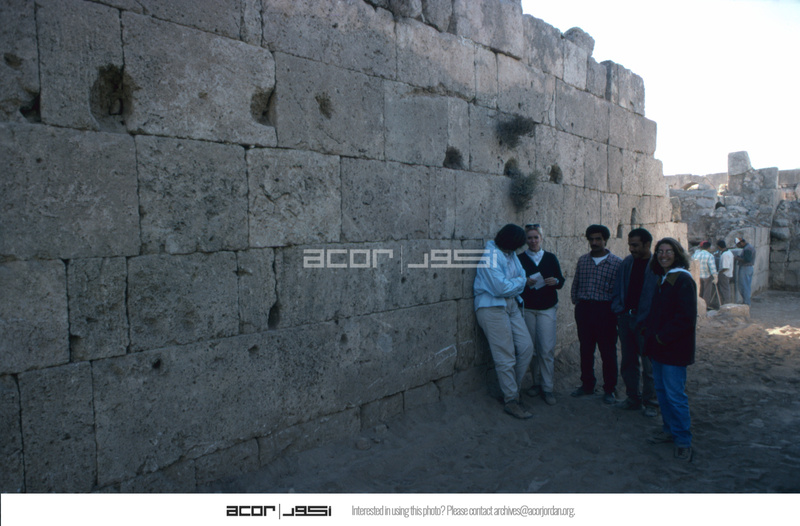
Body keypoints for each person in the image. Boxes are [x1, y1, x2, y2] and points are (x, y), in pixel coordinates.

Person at [473, 224, 537, 419]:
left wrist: (517, 283)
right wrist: (521, 283)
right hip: (491, 306)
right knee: (505, 355)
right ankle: (511, 400)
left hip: (511, 304)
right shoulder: (490, 256)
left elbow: (520, 275)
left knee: (526, 347)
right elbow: (500, 288)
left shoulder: (510, 254)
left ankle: (511, 390)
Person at [643, 237, 697, 462]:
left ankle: (683, 440)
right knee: (663, 392)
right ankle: (669, 430)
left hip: (673, 348)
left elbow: (685, 318)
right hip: (659, 348)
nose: (663, 255)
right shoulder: (664, 279)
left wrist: (661, 337)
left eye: (668, 251)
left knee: (675, 395)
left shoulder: (682, 280)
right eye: (660, 251)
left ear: (677, 254)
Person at [570, 224, 622, 404]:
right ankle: (587, 385)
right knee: (586, 349)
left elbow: (619, 290)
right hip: (584, 309)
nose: (594, 242)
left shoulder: (616, 263)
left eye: (598, 239)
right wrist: (577, 301)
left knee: (608, 352)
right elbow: (576, 282)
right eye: (591, 239)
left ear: (605, 240)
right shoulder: (583, 260)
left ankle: (609, 389)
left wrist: (613, 310)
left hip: (605, 311)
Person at [611, 228, 659, 417]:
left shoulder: (656, 266)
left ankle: (651, 402)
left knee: (649, 365)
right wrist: (619, 309)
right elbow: (618, 287)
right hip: (626, 318)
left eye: (635, 245)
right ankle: (633, 398)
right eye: (630, 245)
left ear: (647, 244)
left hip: (647, 322)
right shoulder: (627, 263)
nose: (631, 249)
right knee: (628, 361)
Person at [518, 224, 565, 406]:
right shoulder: (520, 259)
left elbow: (560, 280)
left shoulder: (550, 258)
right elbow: (515, 281)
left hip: (547, 309)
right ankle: (536, 383)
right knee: (532, 349)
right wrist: (524, 281)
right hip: (528, 309)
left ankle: (547, 387)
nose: (533, 241)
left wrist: (555, 281)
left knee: (546, 349)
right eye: (529, 238)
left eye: (535, 237)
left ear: (541, 238)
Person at [692, 241, 717, 308]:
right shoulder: (709, 255)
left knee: (699, 291)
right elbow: (712, 267)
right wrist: (715, 276)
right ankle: (705, 306)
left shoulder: (696, 254)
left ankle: (698, 305)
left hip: (697, 276)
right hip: (706, 276)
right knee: (706, 292)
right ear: (709, 248)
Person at [734, 237, 755, 305]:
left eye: (738, 245)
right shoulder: (749, 247)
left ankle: (746, 303)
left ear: (742, 243)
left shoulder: (747, 248)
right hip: (748, 268)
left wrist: (737, 258)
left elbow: (747, 259)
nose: (738, 247)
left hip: (745, 268)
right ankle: (746, 302)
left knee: (743, 286)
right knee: (746, 286)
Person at [716, 240, 734, 305]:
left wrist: (719, 272)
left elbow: (725, 267)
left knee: (724, 290)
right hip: (728, 274)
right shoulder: (729, 252)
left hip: (724, 274)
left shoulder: (725, 255)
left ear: (719, 246)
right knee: (725, 289)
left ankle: (726, 304)